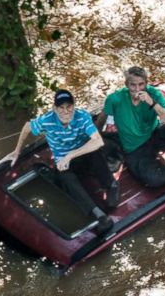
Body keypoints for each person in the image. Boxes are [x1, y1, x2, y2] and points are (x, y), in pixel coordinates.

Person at [9, 89, 119, 234]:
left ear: (74, 106)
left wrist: (70, 155)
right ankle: (98, 214)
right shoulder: (47, 120)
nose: (66, 111)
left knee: (95, 152)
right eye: (61, 107)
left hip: (82, 155)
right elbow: (27, 126)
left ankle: (110, 185)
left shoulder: (82, 116)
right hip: (66, 163)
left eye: (69, 107)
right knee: (63, 175)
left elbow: (98, 141)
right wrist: (17, 151)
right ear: (55, 108)